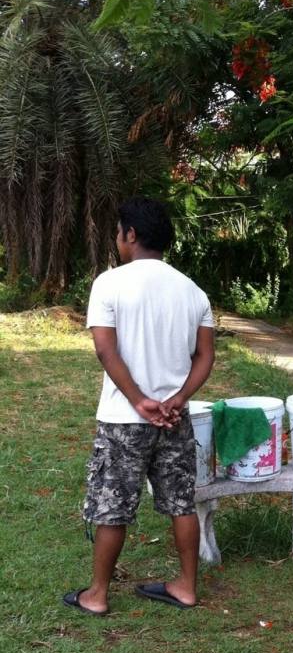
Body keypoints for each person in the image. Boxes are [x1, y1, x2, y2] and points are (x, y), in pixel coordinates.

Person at [62, 197, 215, 616]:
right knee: (181, 502)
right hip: (173, 418)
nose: (117, 239)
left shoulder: (109, 284)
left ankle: (96, 594)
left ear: (131, 235)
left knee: (113, 507)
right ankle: (185, 586)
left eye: (118, 232)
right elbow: (205, 357)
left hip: (124, 419)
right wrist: (176, 400)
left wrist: (138, 401)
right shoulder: (193, 291)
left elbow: (105, 349)